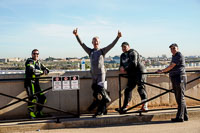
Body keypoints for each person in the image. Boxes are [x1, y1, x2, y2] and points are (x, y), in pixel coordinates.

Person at [73, 28, 122, 117]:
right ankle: (104, 108)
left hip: (101, 74)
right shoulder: (90, 51)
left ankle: (100, 111)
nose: (95, 42)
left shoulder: (102, 51)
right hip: (94, 75)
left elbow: (111, 45)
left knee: (100, 93)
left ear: (99, 42)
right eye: (94, 41)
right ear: (92, 42)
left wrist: (117, 37)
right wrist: (77, 35)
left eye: (97, 41)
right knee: (96, 92)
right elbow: (82, 44)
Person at [156, 43, 188, 122]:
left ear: (177, 48)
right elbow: (171, 67)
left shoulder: (178, 55)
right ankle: (185, 116)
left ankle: (180, 117)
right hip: (176, 78)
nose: (172, 50)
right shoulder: (174, 56)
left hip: (179, 77)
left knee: (180, 98)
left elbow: (171, 66)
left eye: (174, 48)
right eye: (171, 49)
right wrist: (165, 71)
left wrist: (162, 71)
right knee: (179, 97)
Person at [115, 42, 148, 113]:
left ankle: (145, 106)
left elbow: (134, 63)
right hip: (132, 73)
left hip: (140, 72)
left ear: (128, 46)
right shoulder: (122, 55)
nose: (123, 48)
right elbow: (121, 65)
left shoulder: (133, 52)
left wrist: (125, 69)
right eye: (122, 47)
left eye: (125, 46)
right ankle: (125, 107)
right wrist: (121, 68)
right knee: (128, 89)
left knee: (140, 88)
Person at [24, 49, 49, 119]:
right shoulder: (29, 61)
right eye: (34, 54)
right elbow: (32, 71)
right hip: (29, 83)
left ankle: (38, 112)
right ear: (31, 54)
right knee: (32, 98)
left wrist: (45, 70)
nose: (36, 55)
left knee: (42, 98)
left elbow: (47, 70)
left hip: (36, 84)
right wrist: (42, 71)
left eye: (37, 54)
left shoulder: (39, 63)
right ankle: (31, 114)